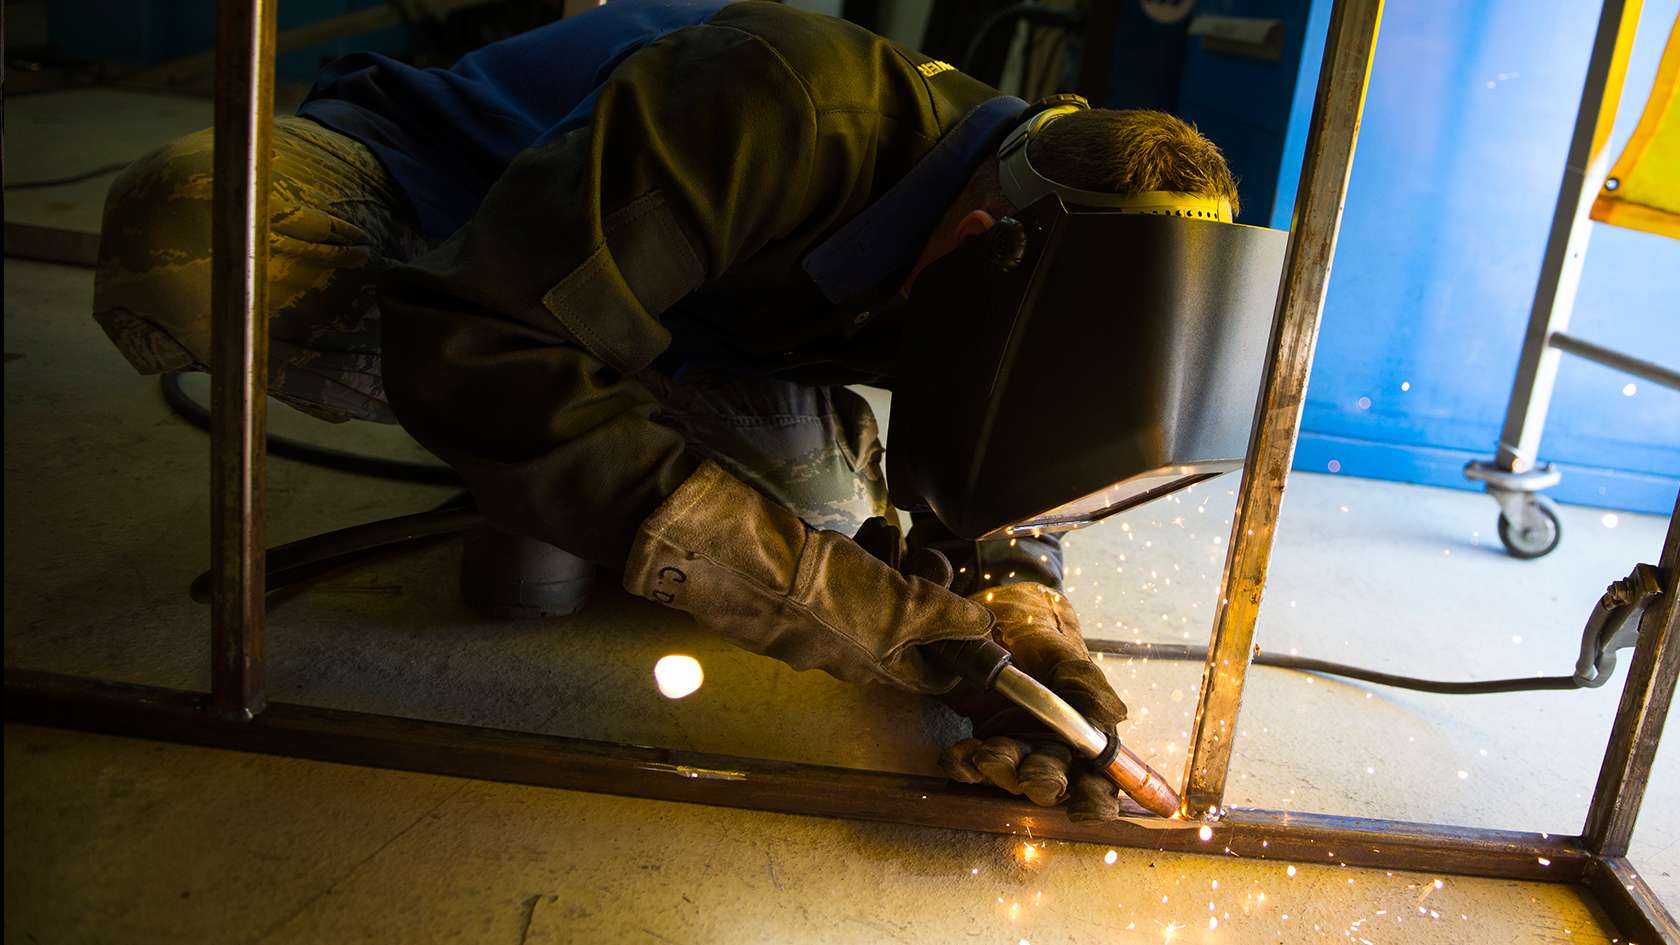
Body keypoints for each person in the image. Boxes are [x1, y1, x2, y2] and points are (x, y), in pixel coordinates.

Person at [92, 0, 1241, 821]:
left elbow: (996, 451)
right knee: (191, 242)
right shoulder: (782, 96)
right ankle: (545, 459)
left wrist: (1020, 623)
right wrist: (846, 610)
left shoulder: (1012, 254)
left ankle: (568, 460)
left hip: (688, 328)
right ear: (989, 245)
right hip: (433, 204)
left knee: (815, 534)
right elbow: (479, 338)